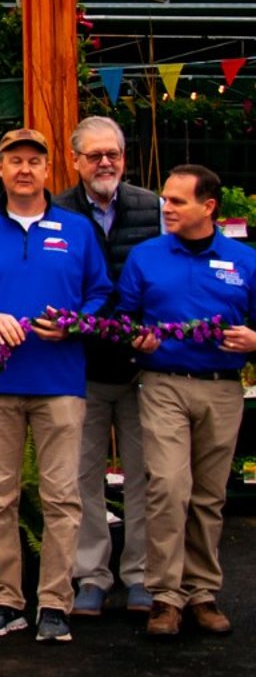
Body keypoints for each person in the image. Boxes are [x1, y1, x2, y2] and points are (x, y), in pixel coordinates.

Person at [0, 128, 111, 644]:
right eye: (14, 160)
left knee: (63, 497)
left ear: (47, 171)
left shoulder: (78, 230)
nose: (24, 169)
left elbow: (102, 294)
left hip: (60, 381)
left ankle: (55, 603)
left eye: (33, 162)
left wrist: (75, 323)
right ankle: (5, 601)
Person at [118, 164, 256, 639]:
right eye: (165, 199)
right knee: (168, 487)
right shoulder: (146, 256)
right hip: (164, 384)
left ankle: (202, 592)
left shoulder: (244, 261)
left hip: (222, 387)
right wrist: (136, 337)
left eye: (177, 201)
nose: (166, 208)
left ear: (209, 207)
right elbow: (124, 318)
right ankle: (165, 595)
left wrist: (255, 339)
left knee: (209, 496)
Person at [52, 116, 160, 618]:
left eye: (113, 153)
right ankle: (92, 574)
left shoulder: (152, 207)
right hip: (81, 366)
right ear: (75, 161)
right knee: (83, 476)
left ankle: (142, 574)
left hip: (144, 366)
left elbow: (169, 272)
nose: (105, 163)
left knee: (145, 475)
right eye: (94, 155)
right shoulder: (58, 212)